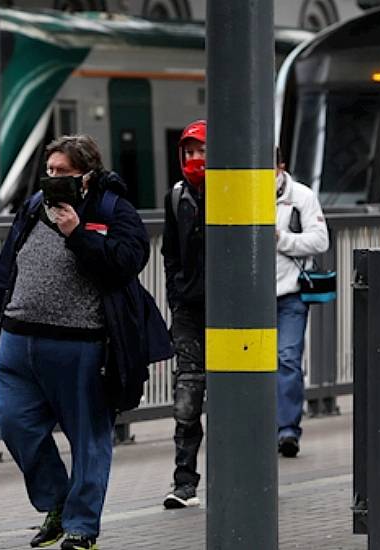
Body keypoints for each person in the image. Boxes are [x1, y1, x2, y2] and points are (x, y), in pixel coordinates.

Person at [0, 135, 149, 550]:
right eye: (49, 172)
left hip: (81, 344)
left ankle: (81, 527)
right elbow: (8, 264)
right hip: (17, 338)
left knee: (88, 437)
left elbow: (127, 263)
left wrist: (79, 233)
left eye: (63, 173)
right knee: (10, 420)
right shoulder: (33, 207)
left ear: (87, 175)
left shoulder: (114, 210)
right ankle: (58, 500)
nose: (53, 180)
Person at [161, 119, 207, 509]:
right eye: (189, 153)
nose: (194, 160)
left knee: (231, 397)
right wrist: (177, 296)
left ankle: (234, 472)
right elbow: (170, 252)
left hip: (232, 315)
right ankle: (184, 481)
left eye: (201, 152)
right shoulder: (176, 197)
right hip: (190, 310)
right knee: (187, 398)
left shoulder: (235, 194)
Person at [274, 150, 329, 458]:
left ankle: (288, 430)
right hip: (252, 299)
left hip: (292, 293)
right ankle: (265, 424)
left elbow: (321, 241)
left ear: (280, 167)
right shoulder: (244, 194)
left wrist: (282, 239)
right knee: (259, 365)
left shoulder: (302, 197)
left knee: (287, 357)